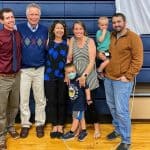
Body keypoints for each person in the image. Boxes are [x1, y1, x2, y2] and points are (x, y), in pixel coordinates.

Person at [104, 13, 143, 150]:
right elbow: (109, 55)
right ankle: (118, 130)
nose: (116, 25)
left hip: (122, 81)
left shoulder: (134, 38)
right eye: (114, 22)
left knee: (122, 111)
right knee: (112, 107)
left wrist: (128, 76)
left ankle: (126, 140)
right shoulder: (111, 36)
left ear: (124, 22)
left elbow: (138, 60)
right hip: (108, 78)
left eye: (119, 22)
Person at [17, 3, 48, 138]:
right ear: (27, 15)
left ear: (39, 16)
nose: (34, 16)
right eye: (31, 14)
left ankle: (40, 124)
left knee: (40, 99)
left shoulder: (45, 30)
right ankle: (25, 124)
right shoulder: (18, 28)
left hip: (40, 69)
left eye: (36, 14)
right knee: (24, 99)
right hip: (24, 70)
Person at [67, 21, 100, 139]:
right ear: (73, 30)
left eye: (80, 29)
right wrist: (67, 74)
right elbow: (69, 58)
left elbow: (92, 61)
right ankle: (80, 128)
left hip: (88, 77)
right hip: (76, 78)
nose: (78, 31)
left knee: (90, 104)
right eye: (76, 29)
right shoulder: (72, 41)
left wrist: (84, 76)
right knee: (77, 104)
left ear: (84, 30)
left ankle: (97, 128)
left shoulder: (90, 41)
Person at [0, 8, 21, 149]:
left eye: (12, 17)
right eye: (7, 18)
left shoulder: (17, 34)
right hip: (3, 77)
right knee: (1, 109)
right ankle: (1, 136)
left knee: (14, 106)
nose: (11, 20)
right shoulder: (0, 36)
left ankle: (11, 127)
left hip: (17, 76)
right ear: (1, 21)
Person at [44, 20, 68, 139]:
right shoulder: (49, 42)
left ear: (64, 31)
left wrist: (68, 75)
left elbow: (69, 61)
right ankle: (54, 125)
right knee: (52, 101)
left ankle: (61, 125)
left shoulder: (67, 42)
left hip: (63, 76)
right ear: (53, 30)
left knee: (62, 100)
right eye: (57, 28)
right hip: (49, 76)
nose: (59, 30)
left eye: (62, 28)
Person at [62, 63, 91, 141]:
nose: (71, 73)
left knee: (76, 118)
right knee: (81, 117)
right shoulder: (70, 80)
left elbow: (87, 88)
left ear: (75, 70)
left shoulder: (79, 79)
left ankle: (72, 132)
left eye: (72, 71)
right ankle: (84, 131)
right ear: (66, 73)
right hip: (75, 103)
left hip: (79, 103)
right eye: (69, 72)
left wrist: (88, 99)